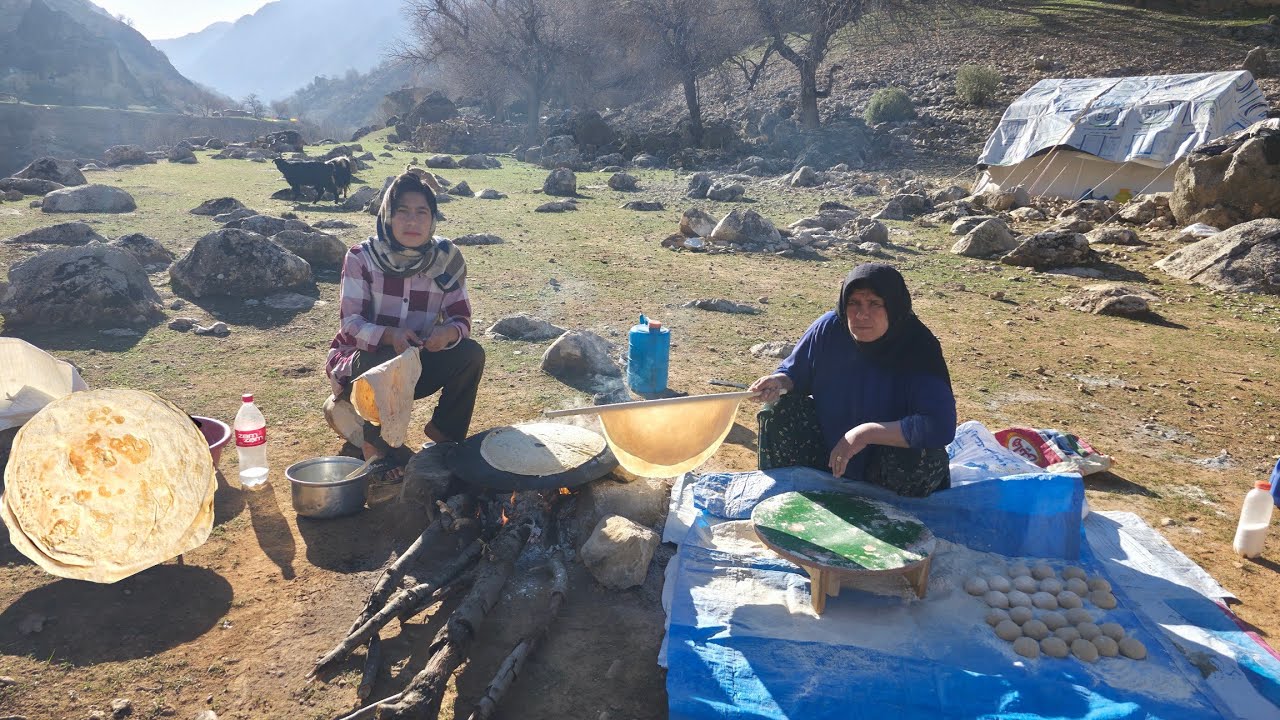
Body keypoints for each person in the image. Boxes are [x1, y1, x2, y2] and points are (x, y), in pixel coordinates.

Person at [324, 170, 485, 480]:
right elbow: (351, 325)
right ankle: (379, 449)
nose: (413, 222)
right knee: (387, 359)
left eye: (422, 213)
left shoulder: (446, 259)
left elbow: (461, 319)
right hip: (364, 362)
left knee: (471, 354)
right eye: (403, 212)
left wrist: (446, 333)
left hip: (417, 361)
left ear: (433, 218)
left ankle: (445, 437)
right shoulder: (362, 258)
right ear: (388, 216)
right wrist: (390, 335)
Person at [748, 263, 956, 497]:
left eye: (875, 304)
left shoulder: (918, 346)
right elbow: (795, 373)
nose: (861, 315)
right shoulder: (830, 328)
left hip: (887, 466)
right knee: (778, 410)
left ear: (893, 307)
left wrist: (864, 434)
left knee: (920, 456)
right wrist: (779, 381)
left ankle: (892, 516)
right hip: (832, 452)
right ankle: (788, 497)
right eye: (853, 303)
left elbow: (939, 425)